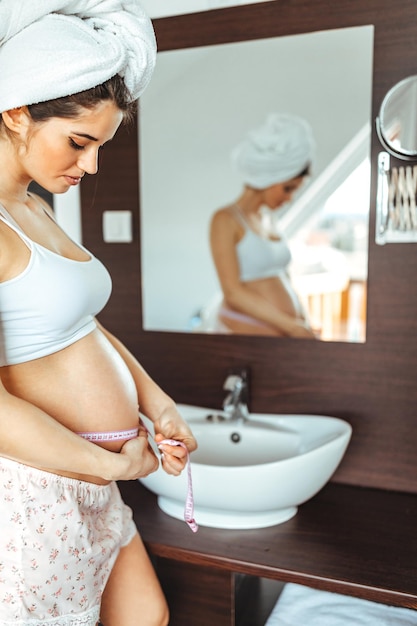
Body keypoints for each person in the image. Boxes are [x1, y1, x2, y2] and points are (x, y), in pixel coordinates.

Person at [0, 2, 197, 625]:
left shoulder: (35, 210)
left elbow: (80, 325)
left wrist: (157, 403)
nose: (90, 166)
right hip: (35, 490)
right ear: (17, 111)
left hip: (93, 482)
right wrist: (113, 462)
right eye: (79, 142)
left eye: (99, 147)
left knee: (148, 617)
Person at [209, 113, 317, 338]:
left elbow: (284, 277)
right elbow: (233, 292)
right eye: (288, 188)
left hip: (286, 329)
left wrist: (302, 319)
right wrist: (292, 327)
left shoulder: (270, 220)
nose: (289, 199)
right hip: (250, 329)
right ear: (268, 176)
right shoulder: (225, 220)